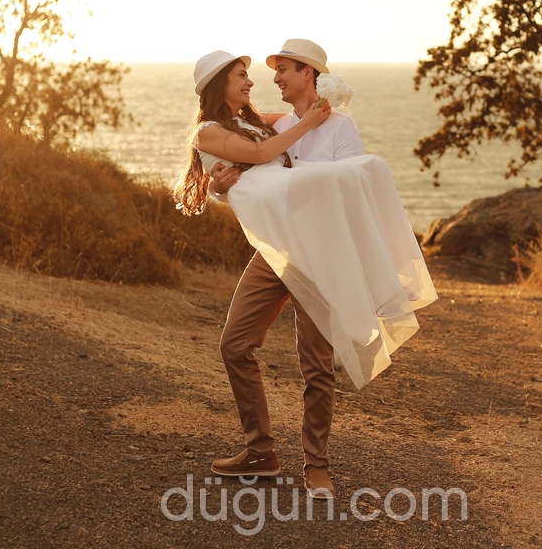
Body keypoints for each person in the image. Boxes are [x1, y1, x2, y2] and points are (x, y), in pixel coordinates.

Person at [172, 44, 437, 500]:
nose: (265, 78)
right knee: (235, 344)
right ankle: (261, 451)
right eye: (248, 74)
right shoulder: (279, 127)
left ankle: (317, 466)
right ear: (221, 84)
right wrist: (218, 186)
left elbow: (350, 189)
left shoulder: (323, 126)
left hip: (321, 253)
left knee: (315, 364)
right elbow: (257, 169)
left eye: (282, 70)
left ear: (307, 74)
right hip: (276, 250)